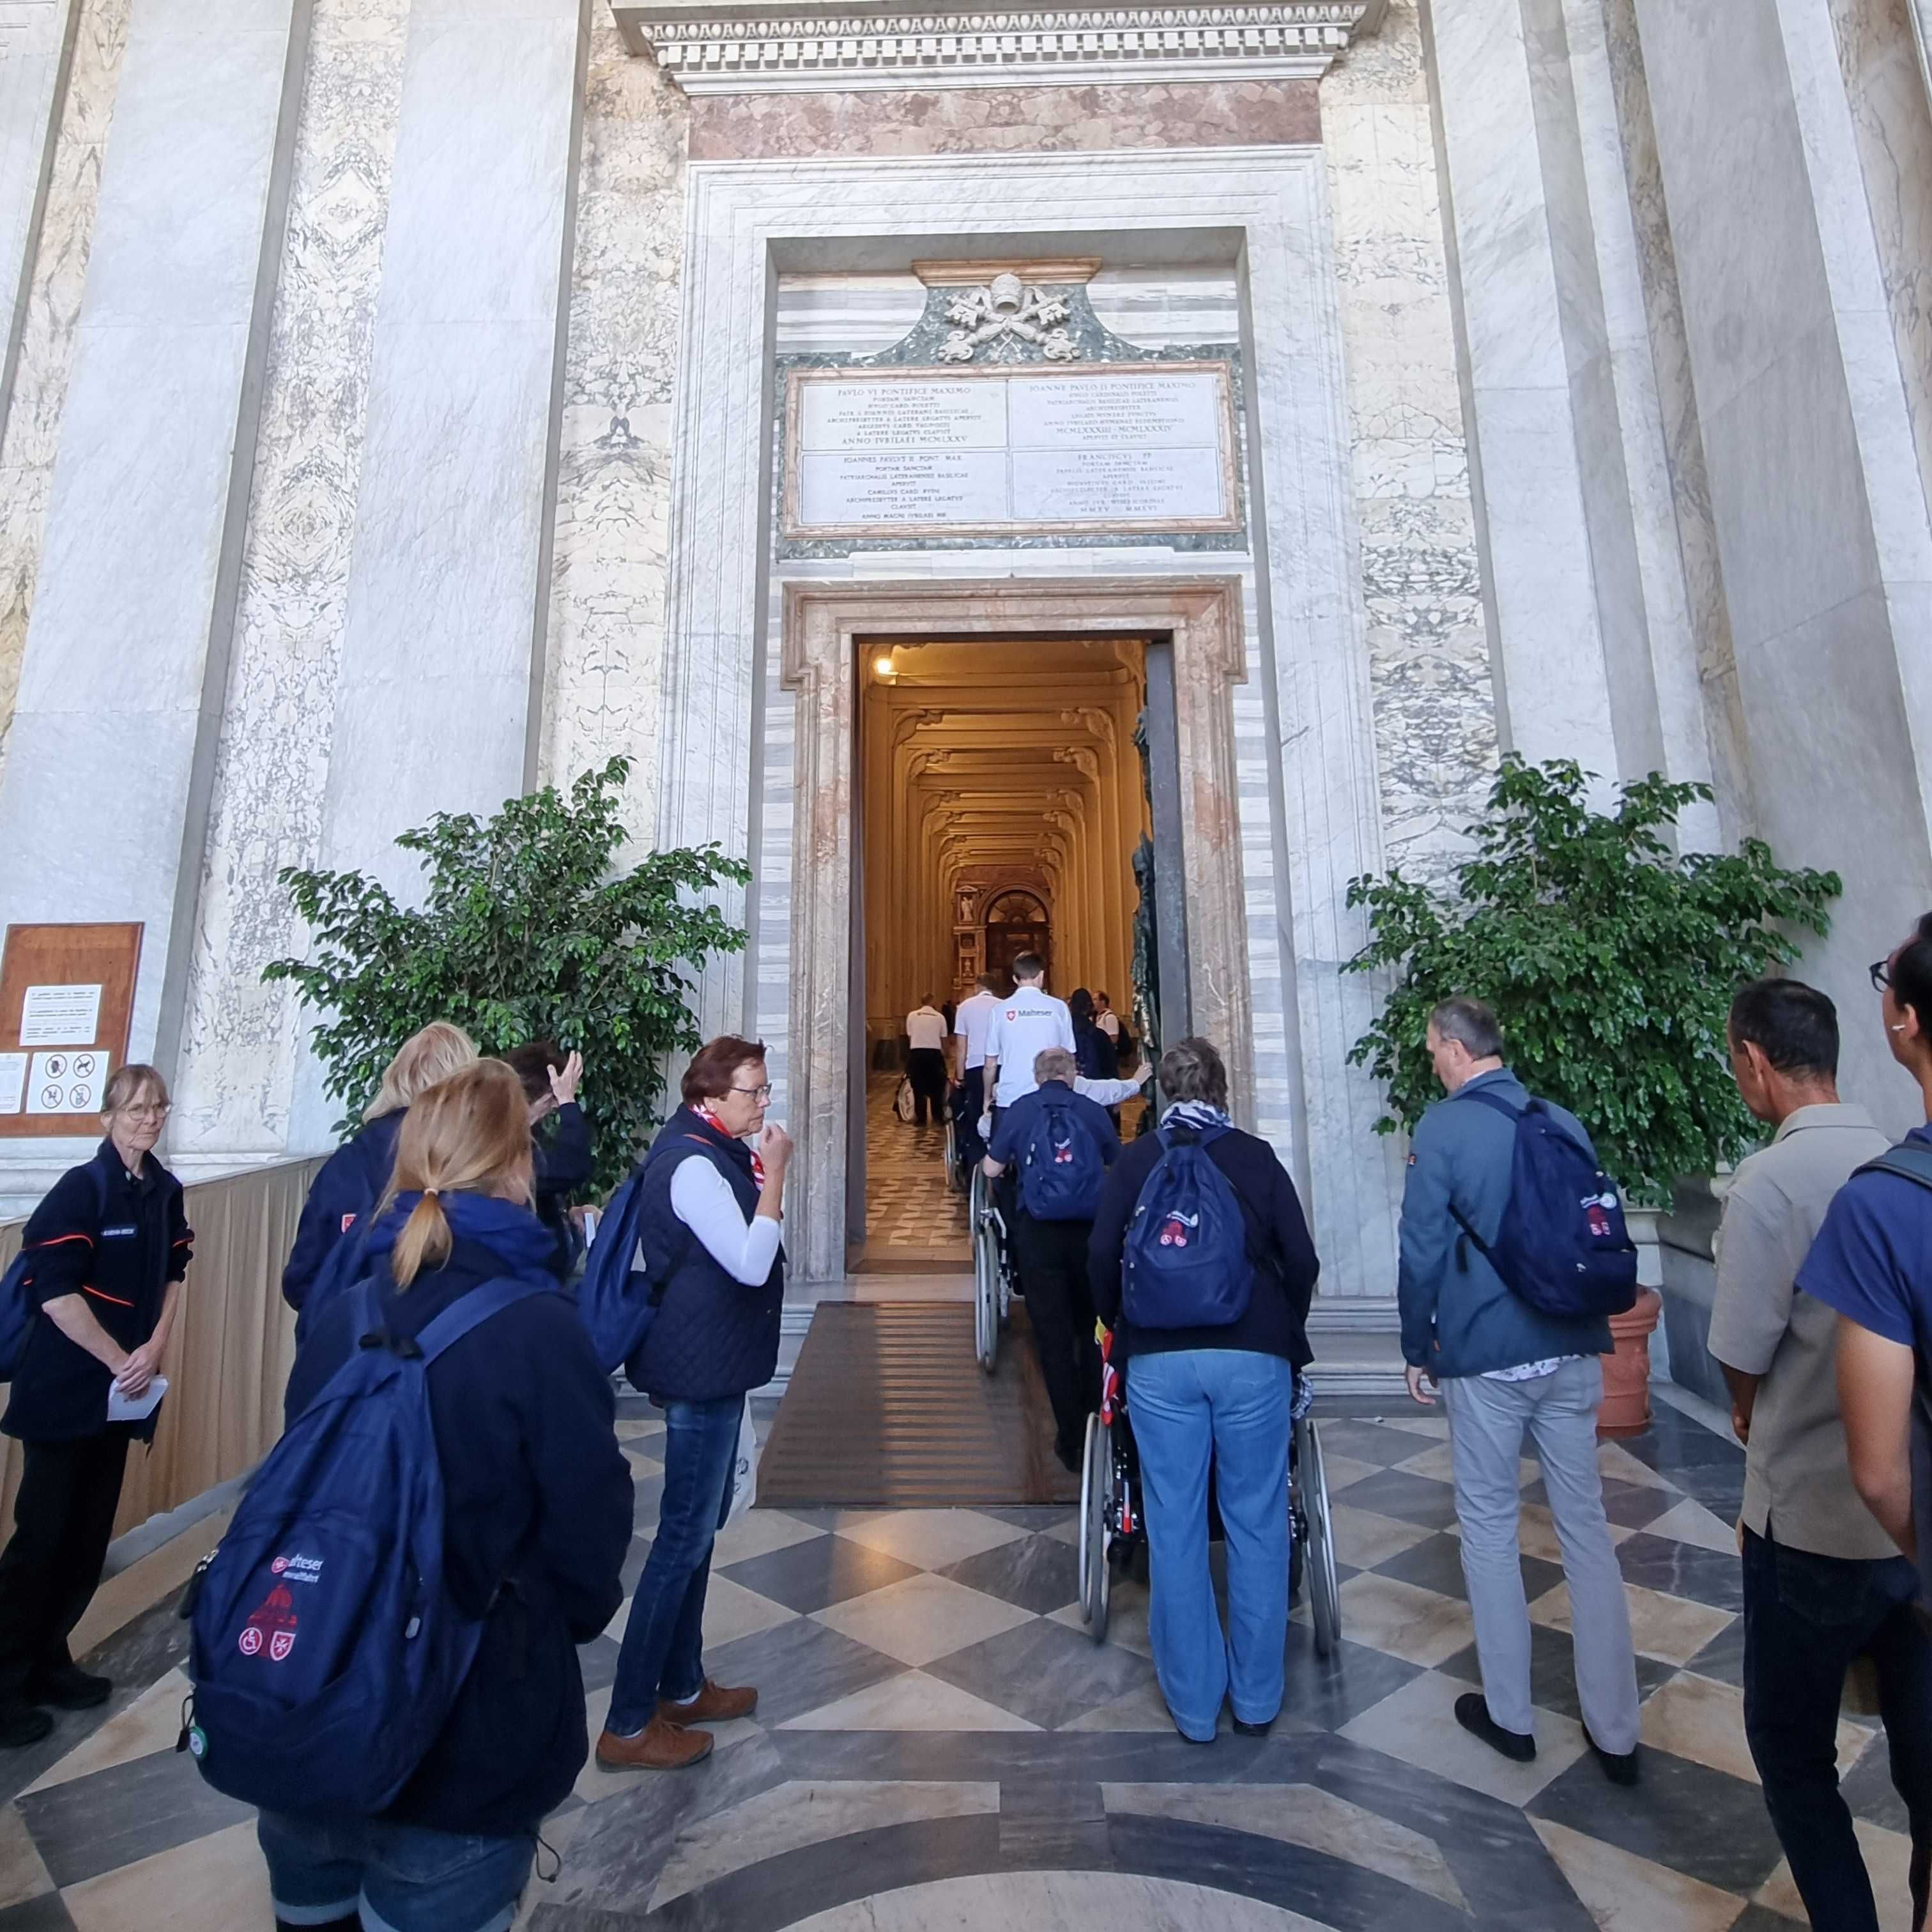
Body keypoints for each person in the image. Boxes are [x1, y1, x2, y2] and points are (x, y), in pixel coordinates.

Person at [258, 1059, 632, 1932]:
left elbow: (297, 1481)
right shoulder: (538, 1327)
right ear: (516, 1168)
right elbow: (589, 1535)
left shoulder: (348, 1311)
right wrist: (536, 1632)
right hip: (463, 1734)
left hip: (311, 1706)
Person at [1709, 976, 1931, 1932]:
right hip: (1914, 1533)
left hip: (1806, 1524)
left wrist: (1751, 1417)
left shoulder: (1766, 1183)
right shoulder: (1897, 1158)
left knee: (1795, 1759)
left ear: (1756, 1063)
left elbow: (1741, 1359)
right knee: (1926, 1769)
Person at [1397, 995, 1641, 1783]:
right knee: (1587, 1531)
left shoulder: (1443, 1128)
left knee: (1492, 1528)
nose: (1432, 1060)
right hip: (1571, 1350)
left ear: (1458, 1051)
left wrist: (1416, 1344)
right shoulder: (1560, 1118)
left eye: (1434, 1048)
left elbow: (1422, 1249)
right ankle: (1616, 1731)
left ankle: (1511, 1718)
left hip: (1489, 1358)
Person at [1087, 1038, 1319, 1742]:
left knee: (1175, 1526)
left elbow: (1101, 1255)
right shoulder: (1255, 1157)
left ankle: (1194, 1709)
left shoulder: (1137, 1161)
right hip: (1252, 1354)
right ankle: (1256, 1700)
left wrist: (1117, 1322)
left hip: (1159, 1361)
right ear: (1223, 1088)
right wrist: (1284, 1327)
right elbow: (1302, 1259)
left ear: (1162, 1092)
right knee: (1255, 1520)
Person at [597, 1036, 788, 1773]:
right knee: (680, 1540)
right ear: (709, 1099)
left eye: (765, 1089)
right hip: (697, 1364)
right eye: (753, 1091)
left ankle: (680, 1684)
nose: (764, 1102)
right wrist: (776, 1175)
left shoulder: (709, 1148)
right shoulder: (691, 1164)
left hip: (713, 1358)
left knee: (699, 1533)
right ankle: (627, 1718)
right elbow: (747, 1260)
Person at [0, 1065, 192, 1749]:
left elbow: (175, 1271)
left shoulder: (163, 1192)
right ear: (108, 1115)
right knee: (40, 1541)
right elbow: (54, 1293)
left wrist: (156, 1346)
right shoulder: (80, 1191)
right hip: (65, 1391)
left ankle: (51, 1661)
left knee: (86, 1540)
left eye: (158, 1107)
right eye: (136, 1107)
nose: (149, 1118)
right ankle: (5, 1680)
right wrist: (120, 1360)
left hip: (123, 1394)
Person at [983, 1047, 1121, 1469]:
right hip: (1089, 1233)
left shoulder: (1022, 1110)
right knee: (1090, 1329)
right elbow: (1118, 1161)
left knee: (1053, 1339)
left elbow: (991, 1170)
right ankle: (1098, 1418)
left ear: (1038, 1075)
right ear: (1073, 1074)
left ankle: (1072, 1438)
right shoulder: (1092, 1109)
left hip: (1039, 1233)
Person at [281, 1020, 477, 1309]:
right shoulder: (472, 1168)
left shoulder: (347, 1162)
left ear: (395, 1077)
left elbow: (301, 1279)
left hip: (347, 1344)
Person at [501, 1039, 591, 1277]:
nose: (554, 1107)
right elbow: (571, 1166)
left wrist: (567, 1217)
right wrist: (568, 1103)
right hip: (528, 1277)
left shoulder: (529, 1133)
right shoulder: (502, 1146)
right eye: (550, 1099)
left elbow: (549, 1182)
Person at [981, 953, 1074, 1133]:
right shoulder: (1059, 1008)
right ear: (1042, 976)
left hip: (1011, 1097)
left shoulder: (999, 1010)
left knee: (1001, 1155)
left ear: (1015, 978)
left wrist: (987, 1097)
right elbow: (1069, 1057)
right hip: (1050, 1098)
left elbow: (990, 1064)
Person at [950, 972, 1002, 1167]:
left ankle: (974, 1164)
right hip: (999, 1064)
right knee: (998, 1109)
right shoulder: (1002, 1006)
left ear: (977, 987)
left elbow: (961, 1047)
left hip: (974, 1066)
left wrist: (960, 1077)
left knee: (975, 1111)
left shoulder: (964, 1007)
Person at [905, 996, 949, 1129]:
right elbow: (944, 1039)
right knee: (937, 1086)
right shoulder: (940, 1017)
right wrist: (946, 1054)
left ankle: (921, 1118)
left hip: (917, 1053)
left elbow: (910, 1036)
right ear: (933, 1002)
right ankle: (938, 1116)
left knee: (918, 1086)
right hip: (934, 1054)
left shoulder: (912, 1016)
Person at [1069, 987, 1119, 1082]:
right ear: (1089, 1006)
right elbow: (1111, 1068)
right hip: (1096, 1083)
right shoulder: (1099, 1035)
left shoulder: (1064, 1031)